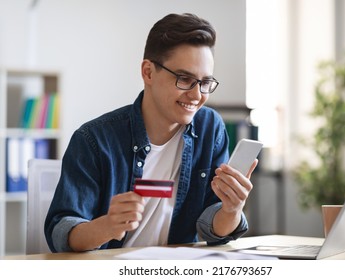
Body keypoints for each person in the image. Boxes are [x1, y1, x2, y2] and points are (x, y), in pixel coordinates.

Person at [44, 13, 258, 252]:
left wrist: (232, 209)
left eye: (205, 82)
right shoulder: (94, 140)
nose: (197, 95)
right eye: (185, 79)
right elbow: (62, 232)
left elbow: (213, 230)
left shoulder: (210, 128)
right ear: (148, 72)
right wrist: (107, 226)